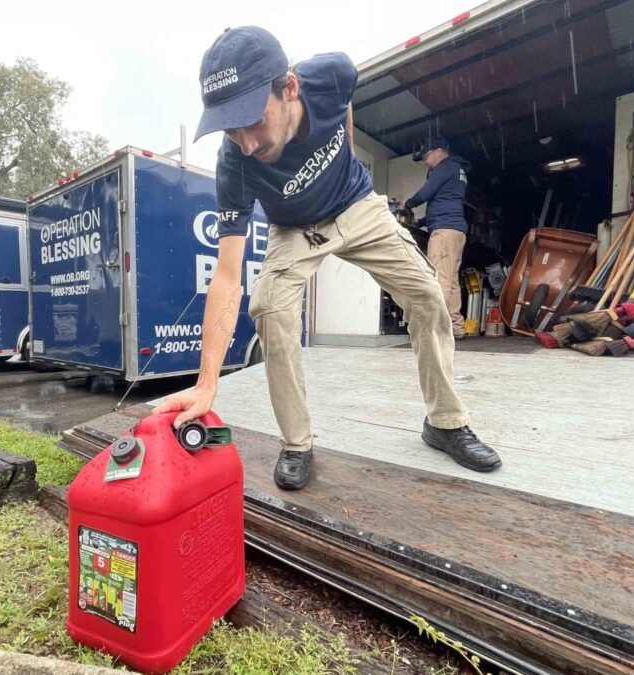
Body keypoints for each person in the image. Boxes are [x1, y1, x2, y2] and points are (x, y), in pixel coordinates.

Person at [152, 27, 502, 489]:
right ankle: (297, 442)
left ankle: (445, 422)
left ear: (290, 88)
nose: (247, 144)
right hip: (294, 229)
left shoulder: (331, 75)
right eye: (230, 130)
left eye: (253, 121)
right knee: (270, 310)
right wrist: (207, 383)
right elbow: (227, 276)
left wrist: (346, 160)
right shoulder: (235, 164)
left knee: (429, 294)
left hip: (356, 205)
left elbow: (346, 101)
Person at [400, 137, 471, 340]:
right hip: (456, 230)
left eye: (426, 155)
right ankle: (456, 327)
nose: (425, 160)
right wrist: (421, 223)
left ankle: (437, 329)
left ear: (439, 151)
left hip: (445, 232)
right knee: (452, 281)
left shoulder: (445, 167)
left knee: (440, 279)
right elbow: (444, 202)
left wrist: (408, 204)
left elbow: (426, 193)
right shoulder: (456, 169)